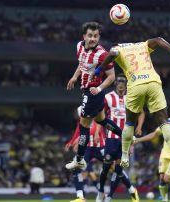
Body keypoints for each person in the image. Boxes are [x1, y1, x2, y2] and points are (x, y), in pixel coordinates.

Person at [95, 37, 170, 175]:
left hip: (136, 84)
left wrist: (98, 70)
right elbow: (159, 39)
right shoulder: (141, 45)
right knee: (163, 122)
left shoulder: (118, 48)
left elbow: (113, 54)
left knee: (130, 123)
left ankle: (125, 156)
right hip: (153, 82)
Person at [66, 22, 123, 171]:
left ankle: (79, 159)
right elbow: (81, 63)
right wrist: (74, 77)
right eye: (90, 35)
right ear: (84, 36)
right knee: (102, 120)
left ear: (99, 37)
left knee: (83, 124)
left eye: (96, 36)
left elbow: (111, 77)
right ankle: (126, 136)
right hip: (87, 90)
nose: (92, 39)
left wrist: (99, 88)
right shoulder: (79, 46)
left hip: (93, 92)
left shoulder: (103, 54)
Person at [97, 73, 145, 202]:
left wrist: (139, 127)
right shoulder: (108, 97)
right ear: (115, 83)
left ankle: (109, 197)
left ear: (126, 84)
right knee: (106, 167)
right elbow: (100, 116)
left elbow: (141, 112)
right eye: (119, 82)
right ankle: (101, 191)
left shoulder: (132, 98)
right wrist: (99, 132)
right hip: (111, 137)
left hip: (126, 139)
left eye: (123, 82)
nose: (121, 84)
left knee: (119, 169)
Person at [134, 102, 170, 200]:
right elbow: (154, 135)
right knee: (162, 179)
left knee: (167, 179)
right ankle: (165, 200)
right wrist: (138, 140)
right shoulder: (165, 123)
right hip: (164, 154)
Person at [65, 107, 105, 202]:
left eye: (81, 116)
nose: (80, 118)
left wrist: (75, 142)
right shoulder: (81, 123)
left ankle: (130, 189)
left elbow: (88, 133)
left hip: (99, 147)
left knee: (114, 166)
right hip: (87, 149)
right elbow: (78, 133)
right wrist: (71, 143)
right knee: (80, 170)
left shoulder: (97, 120)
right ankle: (81, 197)